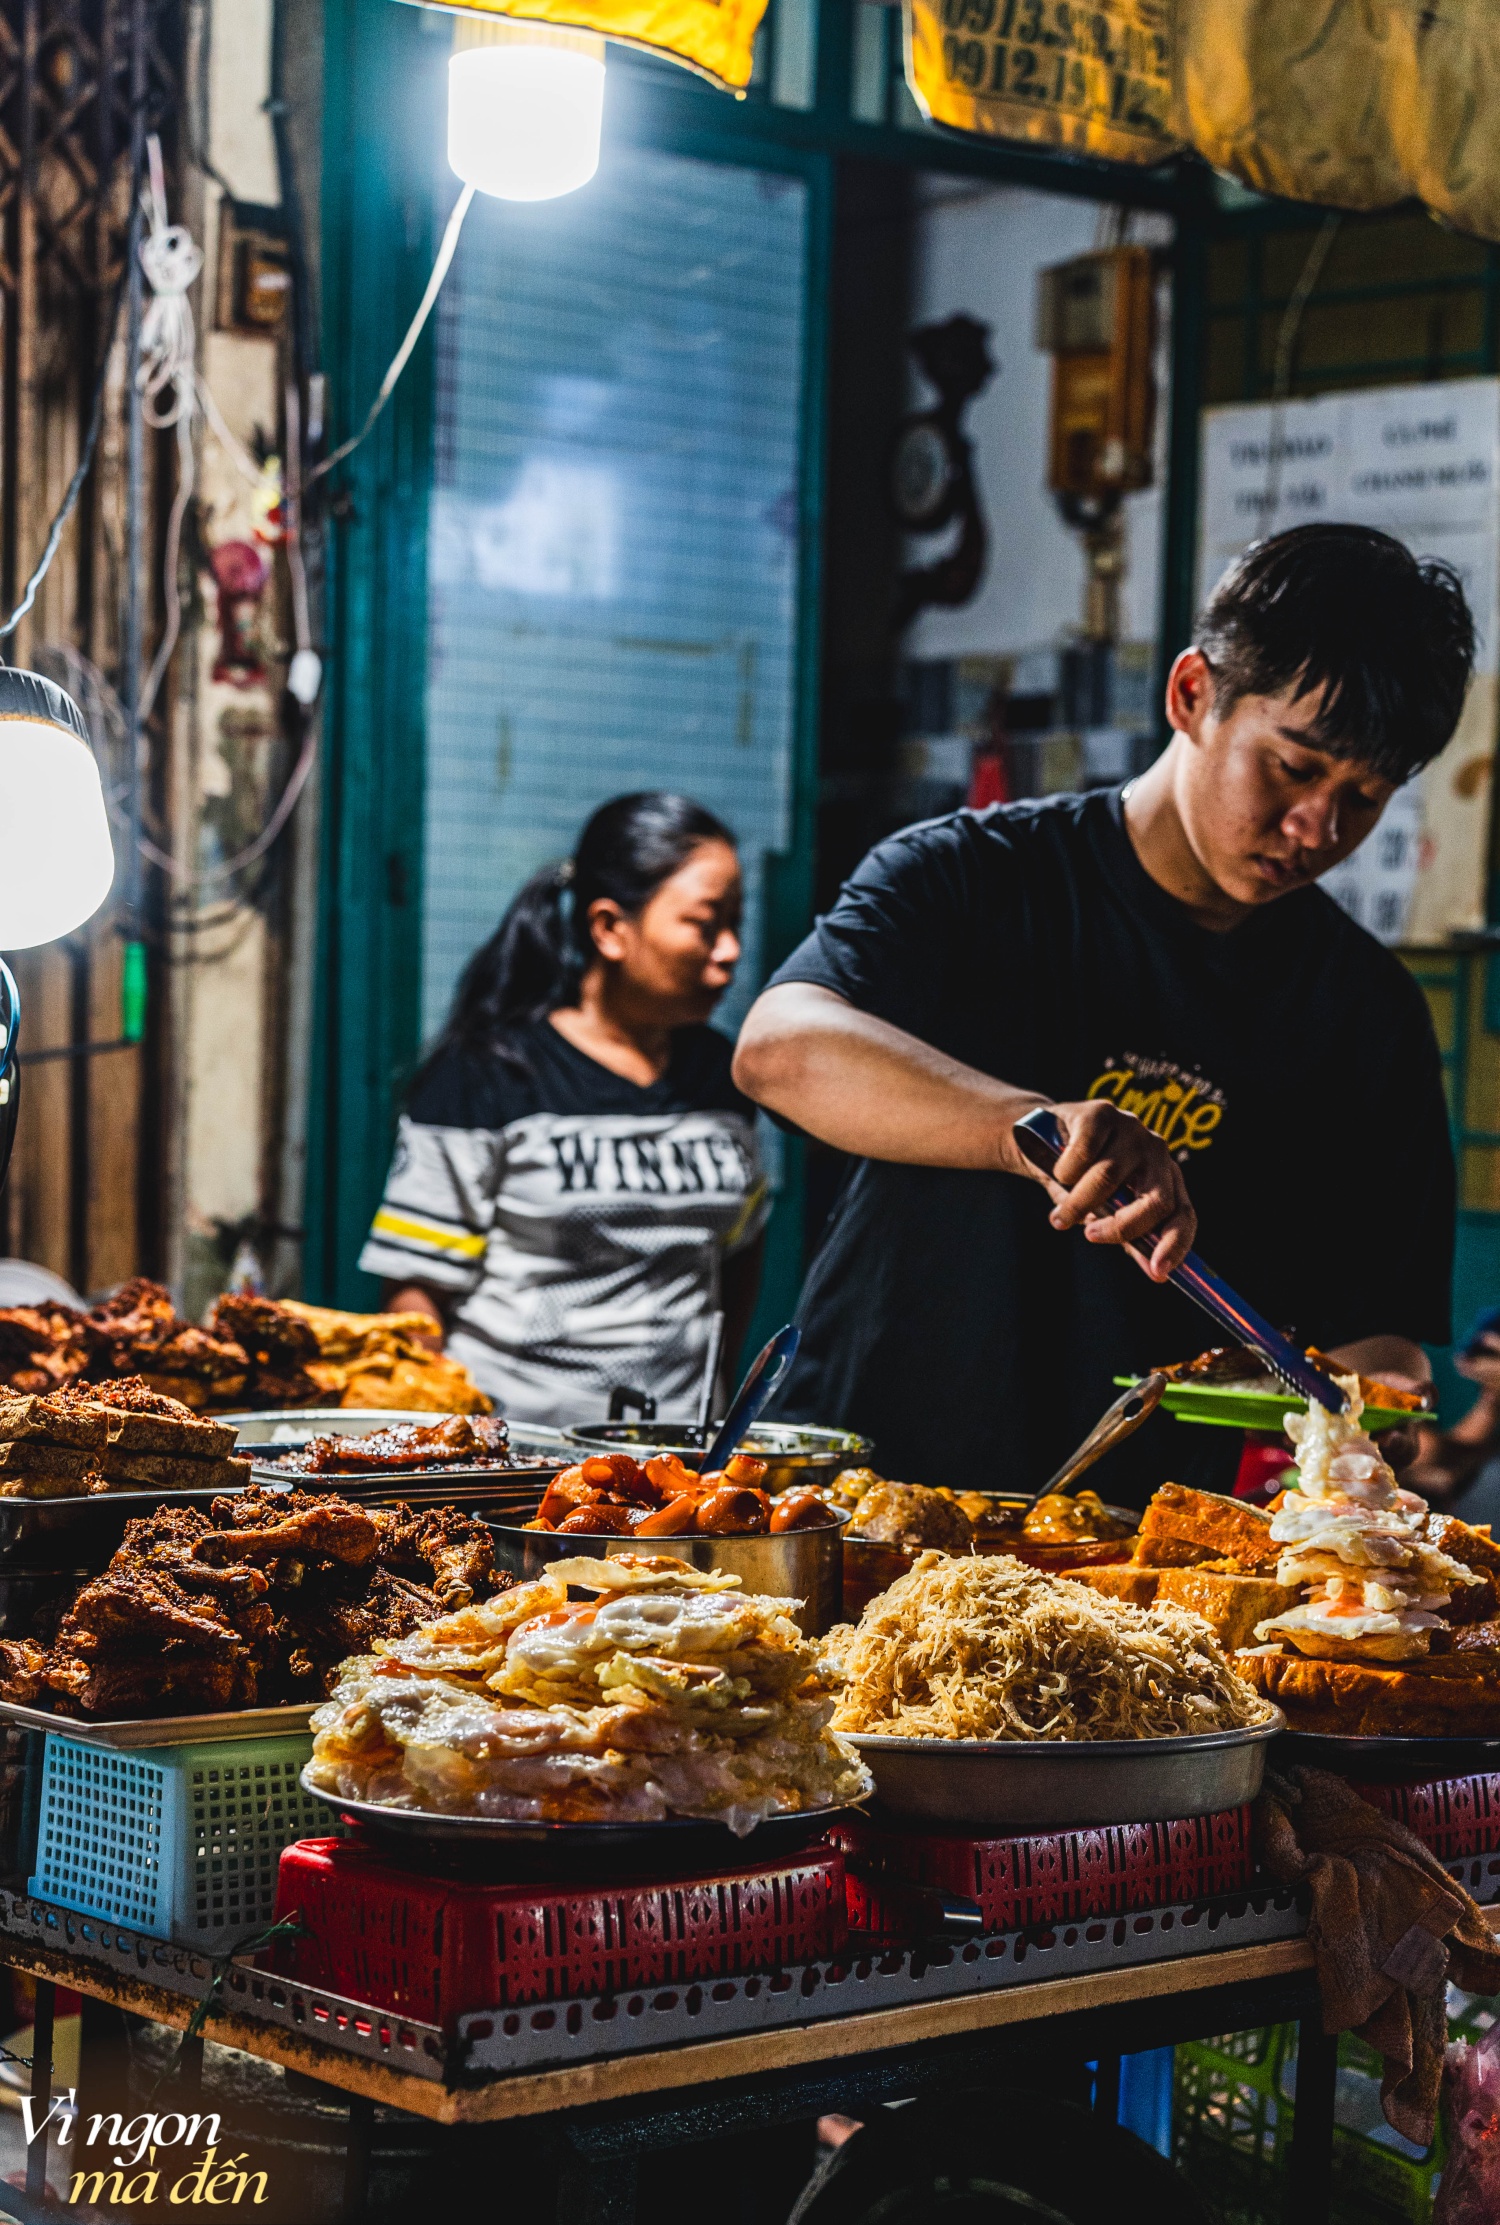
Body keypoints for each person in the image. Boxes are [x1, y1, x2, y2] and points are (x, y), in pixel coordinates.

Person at [733, 523, 1472, 1502]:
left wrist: (1370, 1428)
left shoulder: (1366, 1011)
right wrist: (1034, 1127)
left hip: (1141, 1548)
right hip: (869, 1493)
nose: (1317, 831)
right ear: (1192, 695)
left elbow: (1377, 1330)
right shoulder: (970, 877)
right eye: (1293, 769)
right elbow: (778, 1048)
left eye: (1365, 798)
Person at [359, 792, 767, 1424]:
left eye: (736, 924)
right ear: (609, 928)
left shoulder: (725, 1076)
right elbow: (416, 1296)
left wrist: (713, 1415)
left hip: (674, 1464)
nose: (730, 951)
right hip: (515, 1462)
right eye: (706, 924)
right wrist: (447, 1441)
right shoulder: (487, 1074)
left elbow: (738, 1257)